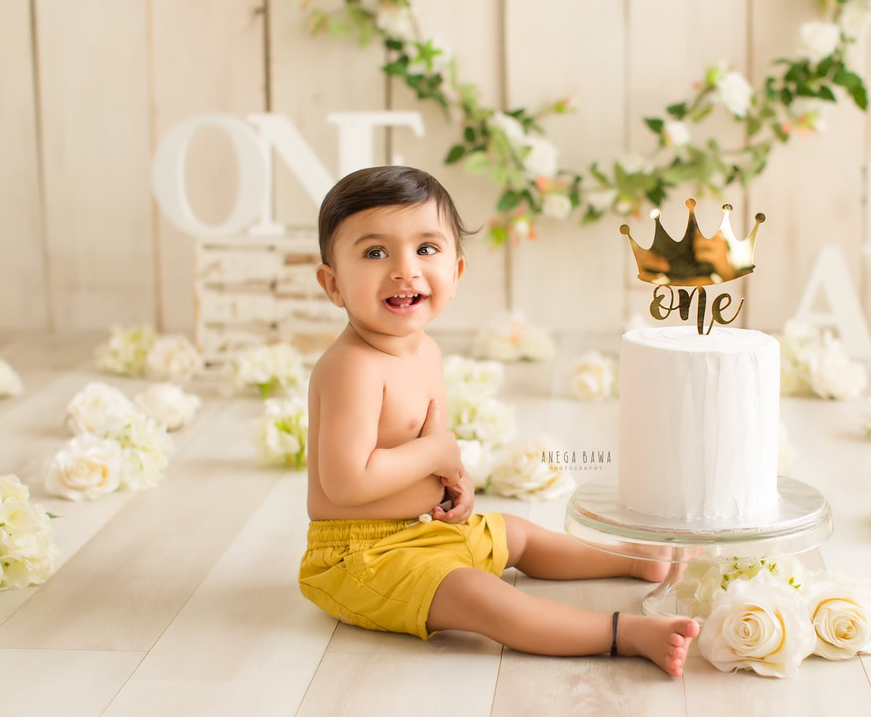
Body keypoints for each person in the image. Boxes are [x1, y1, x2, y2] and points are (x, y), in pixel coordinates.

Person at [297, 165, 699, 676]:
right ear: (333, 284)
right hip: (361, 557)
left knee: (518, 533)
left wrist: (452, 480)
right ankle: (621, 633)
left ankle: (634, 560)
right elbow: (346, 482)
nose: (405, 269)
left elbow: (420, 445)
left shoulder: (426, 352)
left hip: (426, 530)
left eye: (425, 249)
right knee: (478, 594)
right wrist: (439, 454)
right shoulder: (351, 367)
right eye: (376, 252)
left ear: (457, 272)